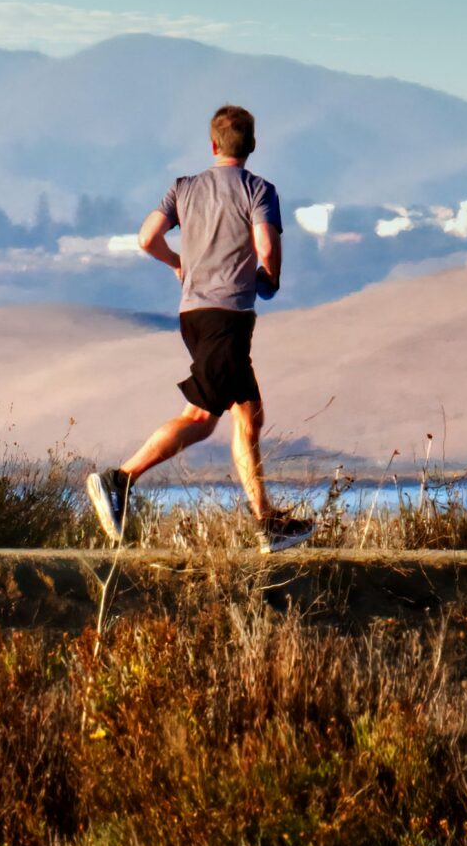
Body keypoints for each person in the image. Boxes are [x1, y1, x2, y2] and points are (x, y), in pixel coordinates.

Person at [86, 103, 315, 553]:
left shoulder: (183, 188)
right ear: (251, 146)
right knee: (202, 418)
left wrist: (178, 264)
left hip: (195, 314)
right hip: (227, 315)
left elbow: (147, 237)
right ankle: (119, 479)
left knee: (248, 414)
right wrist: (270, 277)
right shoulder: (259, 190)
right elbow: (267, 244)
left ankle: (266, 522)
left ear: (212, 145)